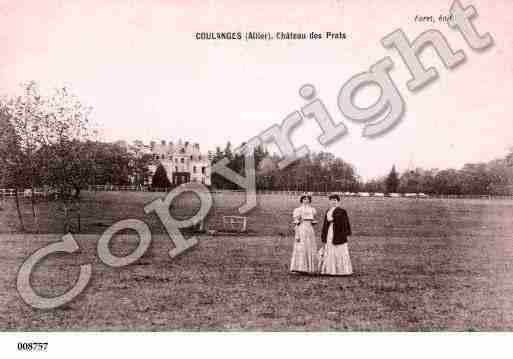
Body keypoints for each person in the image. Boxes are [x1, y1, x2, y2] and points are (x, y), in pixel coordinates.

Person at [319, 194, 353, 276]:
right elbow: (325, 223)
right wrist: (324, 234)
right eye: (331, 200)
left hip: (338, 232)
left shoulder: (342, 211)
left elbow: (345, 223)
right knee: (330, 248)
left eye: (335, 200)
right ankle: (330, 269)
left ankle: (341, 270)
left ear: (338, 201)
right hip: (330, 231)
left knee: (339, 249)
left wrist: (344, 232)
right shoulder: (328, 211)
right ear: (329, 201)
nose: (333, 202)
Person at [290, 194, 318, 274]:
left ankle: (310, 268)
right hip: (302, 228)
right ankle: (299, 267)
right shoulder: (298, 210)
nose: (306, 200)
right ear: (301, 200)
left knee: (310, 246)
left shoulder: (312, 209)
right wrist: (297, 232)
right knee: (302, 246)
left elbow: (312, 219)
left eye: (308, 199)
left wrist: (313, 222)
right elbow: (296, 222)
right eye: (304, 199)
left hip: (310, 229)